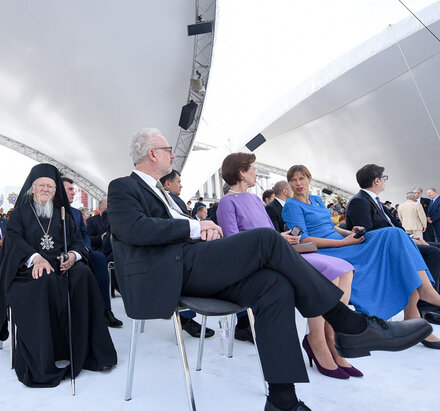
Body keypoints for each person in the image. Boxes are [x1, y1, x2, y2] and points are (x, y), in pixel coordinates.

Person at [107, 128, 431, 411]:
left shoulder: (168, 196)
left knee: (274, 285)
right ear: (152, 153)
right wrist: (195, 227)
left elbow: (179, 226)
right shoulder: (124, 186)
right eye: (167, 149)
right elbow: (133, 229)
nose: (173, 154)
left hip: (197, 263)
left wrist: (201, 227)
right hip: (171, 272)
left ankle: (282, 399)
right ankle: (351, 324)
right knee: (264, 239)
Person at [217, 153, 359, 379]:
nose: (255, 172)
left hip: (279, 251)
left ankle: (331, 337)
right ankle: (317, 341)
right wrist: (276, 240)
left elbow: (268, 232)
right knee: (330, 272)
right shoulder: (227, 202)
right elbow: (234, 244)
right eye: (252, 168)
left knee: (345, 268)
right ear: (242, 172)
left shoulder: (254, 199)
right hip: (261, 261)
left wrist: (282, 236)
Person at [283, 164, 440, 349]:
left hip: (342, 242)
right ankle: (424, 296)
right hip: (328, 250)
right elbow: (304, 239)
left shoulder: (316, 200)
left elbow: (331, 227)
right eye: (293, 180)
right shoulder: (291, 206)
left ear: (309, 179)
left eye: (301, 178)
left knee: (396, 234)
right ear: (289, 184)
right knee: (394, 237)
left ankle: (422, 297)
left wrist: (350, 232)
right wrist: (344, 242)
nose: (298, 183)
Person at [0, 163, 117, 387]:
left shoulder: (62, 214)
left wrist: (73, 256)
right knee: (44, 280)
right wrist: (34, 258)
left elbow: (77, 241)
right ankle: (43, 358)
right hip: (27, 270)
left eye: (50, 186)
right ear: (33, 187)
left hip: (61, 265)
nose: (46, 190)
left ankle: (89, 352)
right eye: (42, 185)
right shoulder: (20, 213)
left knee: (83, 275)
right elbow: (13, 242)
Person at [343, 165, 440, 325]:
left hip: (396, 242)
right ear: (376, 180)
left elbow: (396, 226)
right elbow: (367, 234)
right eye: (384, 178)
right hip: (383, 248)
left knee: (436, 247)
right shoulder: (359, 201)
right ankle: (426, 301)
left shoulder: (374, 201)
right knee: (433, 253)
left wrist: (410, 238)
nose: (385, 181)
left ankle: (427, 300)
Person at [159, 170, 215, 338]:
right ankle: (186, 318)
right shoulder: (171, 200)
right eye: (178, 182)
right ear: (168, 184)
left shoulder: (171, 199)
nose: (181, 185)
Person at [62, 177, 122, 328]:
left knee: (100, 258)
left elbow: (84, 234)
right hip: (60, 254)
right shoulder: (51, 211)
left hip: (81, 251)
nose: (73, 192)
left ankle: (106, 310)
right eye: (69, 189)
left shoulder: (76, 213)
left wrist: (86, 248)